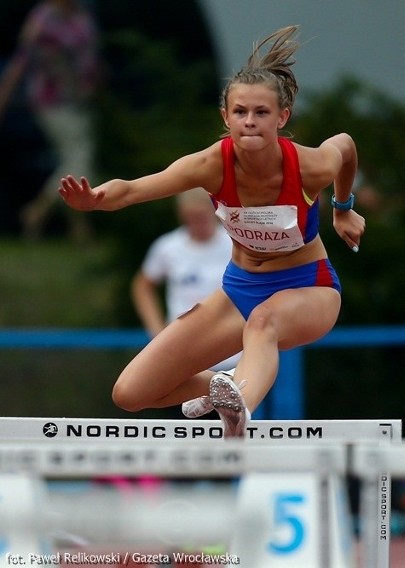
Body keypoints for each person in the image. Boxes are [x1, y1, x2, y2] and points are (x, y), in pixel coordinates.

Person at [58, 25, 365, 438]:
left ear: (282, 117)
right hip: (239, 287)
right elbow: (132, 190)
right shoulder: (209, 166)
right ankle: (228, 388)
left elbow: (344, 145)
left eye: (261, 113)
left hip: (308, 286)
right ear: (226, 117)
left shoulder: (308, 166)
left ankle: (239, 413)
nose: (250, 122)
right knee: (131, 393)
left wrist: (342, 208)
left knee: (263, 322)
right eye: (240, 112)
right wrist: (95, 199)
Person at [0, 0, 100, 241]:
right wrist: (3, 98)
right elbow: (21, 61)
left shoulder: (82, 14)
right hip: (52, 101)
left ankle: (79, 228)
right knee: (80, 159)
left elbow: (91, 56)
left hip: (82, 100)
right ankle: (37, 210)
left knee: (74, 162)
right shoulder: (43, 19)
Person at [131, 187, 240, 372]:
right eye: (192, 217)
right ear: (182, 215)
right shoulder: (168, 247)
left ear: (214, 211)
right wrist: (156, 330)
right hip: (184, 353)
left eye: (202, 216)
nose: (198, 223)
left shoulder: (235, 243)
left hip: (232, 351)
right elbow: (142, 286)